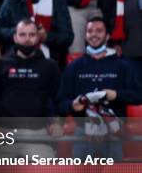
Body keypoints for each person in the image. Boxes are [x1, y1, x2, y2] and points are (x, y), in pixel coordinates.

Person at [58, 17, 142, 160]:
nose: (94, 34)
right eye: (90, 31)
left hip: (114, 132)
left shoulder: (123, 65)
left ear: (107, 36)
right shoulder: (74, 67)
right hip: (82, 131)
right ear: (85, 35)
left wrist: (115, 95)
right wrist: (73, 105)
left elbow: (138, 96)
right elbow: (60, 102)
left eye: (99, 31)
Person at [0, 19, 62, 158]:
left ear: (38, 38)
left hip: (38, 133)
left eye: (31, 35)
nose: (27, 39)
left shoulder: (50, 66)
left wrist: (56, 122)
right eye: (22, 35)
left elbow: (56, 98)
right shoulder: (2, 64)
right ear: (15, 38)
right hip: (5, 133)